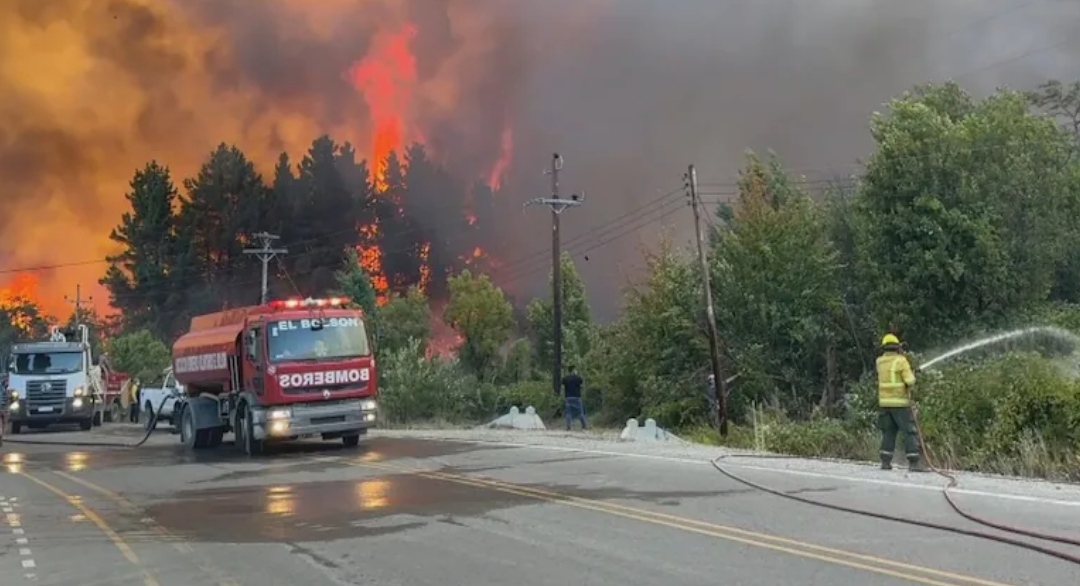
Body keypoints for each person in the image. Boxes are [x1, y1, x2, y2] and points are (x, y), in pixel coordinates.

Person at [876, 334, 926, 471]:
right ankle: (914, 463)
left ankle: (885, 462)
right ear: (897, 347)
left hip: (885, 404)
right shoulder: (901, 361)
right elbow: (909, 381)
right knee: (909, 431)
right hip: (900, 404)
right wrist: (913, 375)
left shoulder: (879, 362)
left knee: (889, 432)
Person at [560, 365, 587, 431]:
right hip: (577, 397)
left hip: (568, 397)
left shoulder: (565, 378)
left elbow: (563, 388)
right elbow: (582, 386)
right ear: (573, 370)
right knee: (580, 412)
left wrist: (564, 396)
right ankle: (584, 426)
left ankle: (568, 427)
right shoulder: (578, 378)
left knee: (569, 413)